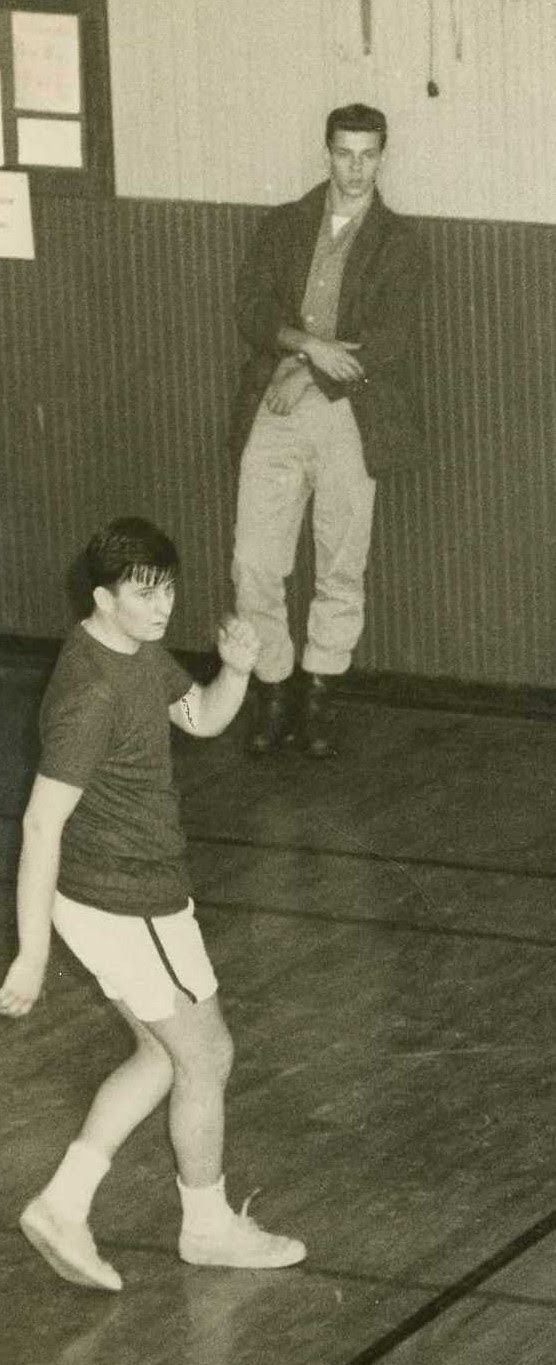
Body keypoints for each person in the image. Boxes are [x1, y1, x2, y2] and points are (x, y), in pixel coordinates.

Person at [7, 518, 306, 1289]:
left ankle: (63, 1205)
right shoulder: (92, 692)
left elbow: (200, 716)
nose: (162, 603)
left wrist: (235, 671)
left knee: (160, 1055)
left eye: (167, 586)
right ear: (103, 598)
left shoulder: (134, 653)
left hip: (126, 897)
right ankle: (205, 1226)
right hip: (126, 900)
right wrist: (32, 954)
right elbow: (41, 821)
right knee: (207, 1054)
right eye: (144, 592)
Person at [227, 101, 427, 760]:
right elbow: (252, 308)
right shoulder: (284, 225)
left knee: (341, 561)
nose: (356, 167)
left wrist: (309, 374)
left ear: (383, 156)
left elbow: (390, 341)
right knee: (254, 562)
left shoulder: (399, 242)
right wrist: (302, 349)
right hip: (277, 405)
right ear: (326, 151)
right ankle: (274, 684)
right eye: (345, 152)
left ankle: (317, 692)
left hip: (351, 410)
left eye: (368, 154)